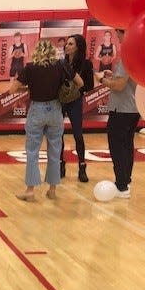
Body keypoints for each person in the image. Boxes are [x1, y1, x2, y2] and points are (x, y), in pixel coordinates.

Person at [8, 39, 82, 201]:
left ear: (37, 51)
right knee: (55, 152)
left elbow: (12, 90)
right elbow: (80, 82)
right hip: (56, 110)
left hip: (37, 110)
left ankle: (30, 190)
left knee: (32, 151)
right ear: (52, 52)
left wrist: (28, 86)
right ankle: (52, 189)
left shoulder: (30, 68)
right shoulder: (61, 65)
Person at [98, 29, 140, 199]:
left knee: (118, 147)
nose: (117, 37)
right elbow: (125, 80)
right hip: (134, 108)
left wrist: (101, 79)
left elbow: (119, 86)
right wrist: (113, 75)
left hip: (121, 109)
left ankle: (121, 186)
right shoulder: (138, 55)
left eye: (118, 34)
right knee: (127, 145)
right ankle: (125, 181)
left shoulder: (127, 57)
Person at [59, 34, 94, 182]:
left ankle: (82, 166)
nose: (67, 46)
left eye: (71, 44)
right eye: (66, 44)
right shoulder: (61, 62)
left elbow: (89, 85)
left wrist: (75, 91)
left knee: (78, 135)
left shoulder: (86, 64)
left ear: (78, 47)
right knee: (58, 134)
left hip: (75, 101)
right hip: (61, 101)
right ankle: (60, 164)